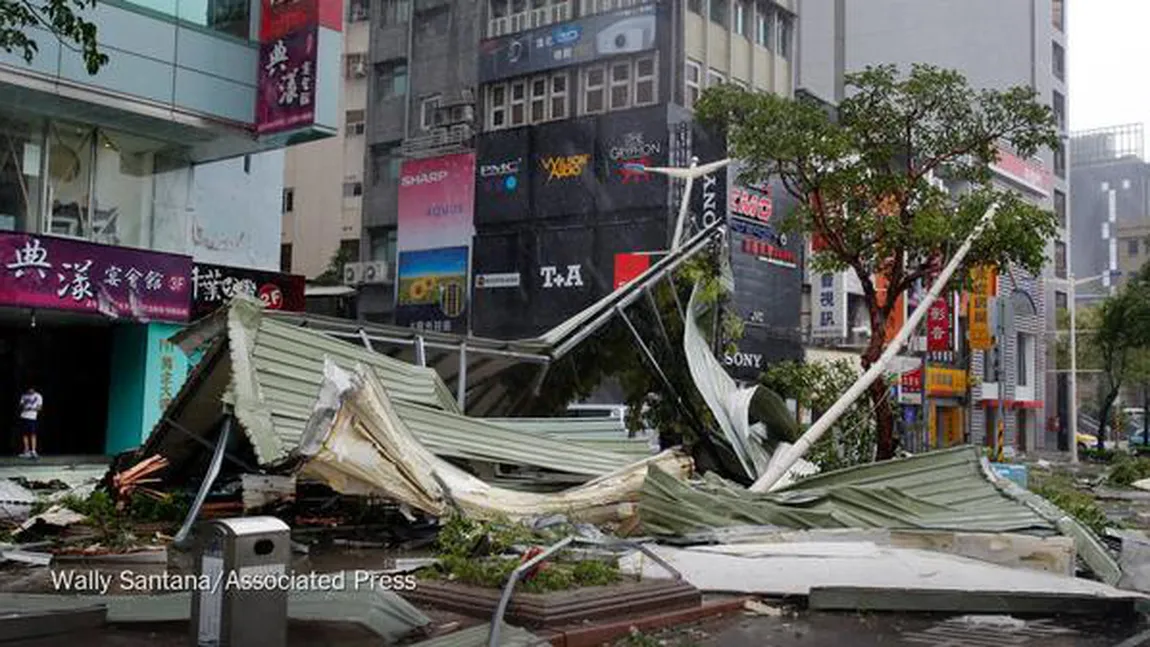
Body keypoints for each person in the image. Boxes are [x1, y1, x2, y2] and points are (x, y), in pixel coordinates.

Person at [17, 385, 42, 459]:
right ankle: (26, 451)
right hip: (24, 416)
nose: (30, 391)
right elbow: (21, 405)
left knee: (33, 434)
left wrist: (31, 408)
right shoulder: (24, 396)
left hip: (32, 418)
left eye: (31, 389)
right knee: (24, 434)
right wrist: (24, 406)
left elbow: (39, 408)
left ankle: (33, 451)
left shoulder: (38, 396)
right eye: (28, 390)